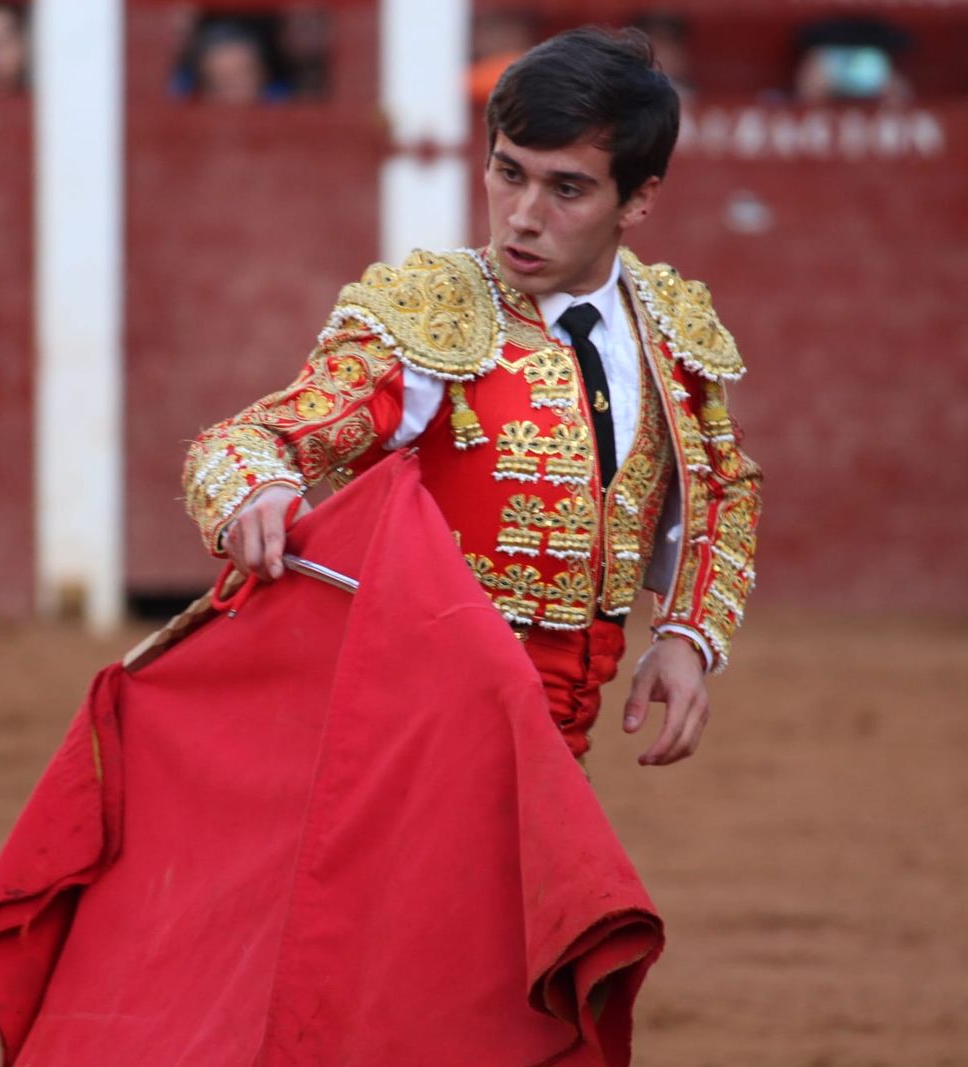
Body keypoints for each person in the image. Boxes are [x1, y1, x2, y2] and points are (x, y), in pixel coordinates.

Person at [184, 26, 762, 767]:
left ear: (639, 200)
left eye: (567, 189)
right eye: (509, 173)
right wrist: (253, 489)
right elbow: (252, 440)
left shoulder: (671, 327)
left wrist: (685, 636)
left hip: (556, 737)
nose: (523, 214)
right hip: (409, 727)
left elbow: (721, 485)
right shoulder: (430, 318)